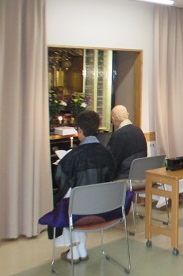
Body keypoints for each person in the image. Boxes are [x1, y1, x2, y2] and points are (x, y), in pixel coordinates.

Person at [54, 110, 116, 263]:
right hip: (104, 208)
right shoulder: (107, 153)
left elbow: (60, 179)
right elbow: (110, 176)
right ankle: (80, 247)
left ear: (80, 130)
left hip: (80, 211)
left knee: (68, 197)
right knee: (81, 197)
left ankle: (74, 251)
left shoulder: (73, 156)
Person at [107, 105, 147, 179]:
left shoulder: (117, 136)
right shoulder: (139, 131)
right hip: (139, 177)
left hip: (123, 179)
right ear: (127, 115)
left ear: (113, 119)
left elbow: (111, 164)